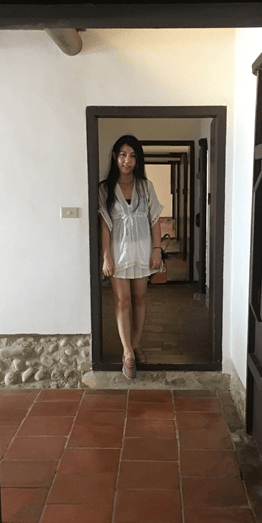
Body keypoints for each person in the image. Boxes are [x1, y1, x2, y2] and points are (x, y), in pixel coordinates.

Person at [99, 134, 163, 379]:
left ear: (138, 160)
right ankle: (127, 352)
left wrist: (157, 250)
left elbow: (154, 219)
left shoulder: (145, 186)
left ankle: (136, 344)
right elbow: (105, 225)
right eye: (123, 155)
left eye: (133, 156)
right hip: (118, 252)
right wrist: (106, 257)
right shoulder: (105, 189)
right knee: (122, 300)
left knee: (140, 298)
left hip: (143, 250)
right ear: (115, 156)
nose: (127, 160)